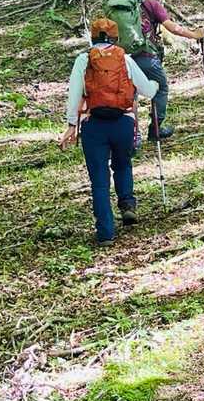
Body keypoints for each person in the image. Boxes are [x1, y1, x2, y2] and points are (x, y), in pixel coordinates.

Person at [59, 16, 159, 246]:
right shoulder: (125, 58)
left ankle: (105, 232)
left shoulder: (83, 60)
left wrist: (71, 125)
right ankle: (127, 204)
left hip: (93, 125)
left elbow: (74, 95)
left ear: (93, 37)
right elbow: (147, 90)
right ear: (115, 37)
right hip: (122, 122)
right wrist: (154, 86)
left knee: (99, 180)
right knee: (123, 164)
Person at [125, 0, 204, 142]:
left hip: (125, 59)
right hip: (147, 56)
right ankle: (156, 129)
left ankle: (132, 135)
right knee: (160, 89)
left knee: (131, 95)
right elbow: (172, 28)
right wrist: (194, 35)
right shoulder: (152, 4)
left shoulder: (122, 7)